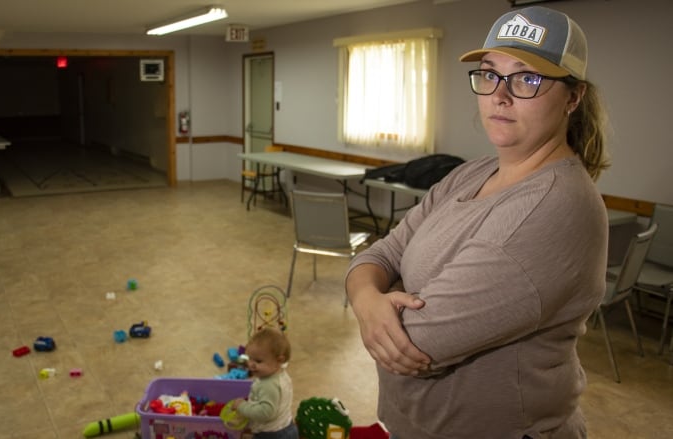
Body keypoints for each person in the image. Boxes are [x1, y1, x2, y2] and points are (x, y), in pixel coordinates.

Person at [345, 6, 610, 439]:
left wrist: (380, 292)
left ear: (573, 97)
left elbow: (415, 341)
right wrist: (369, 299)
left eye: (528, 78)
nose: (499, 95)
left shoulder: (556, 209)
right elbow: (381, 252)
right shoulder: (473, 172)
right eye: (489, 74)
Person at [232, 327, 298, 439]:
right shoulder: (279, 374)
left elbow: (265, 413)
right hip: (286, 426)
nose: (251, 364)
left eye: (258, 361)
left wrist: (242, 406)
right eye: (250, 359)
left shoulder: (269, 385)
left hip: (272, 435)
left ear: (279, 360)